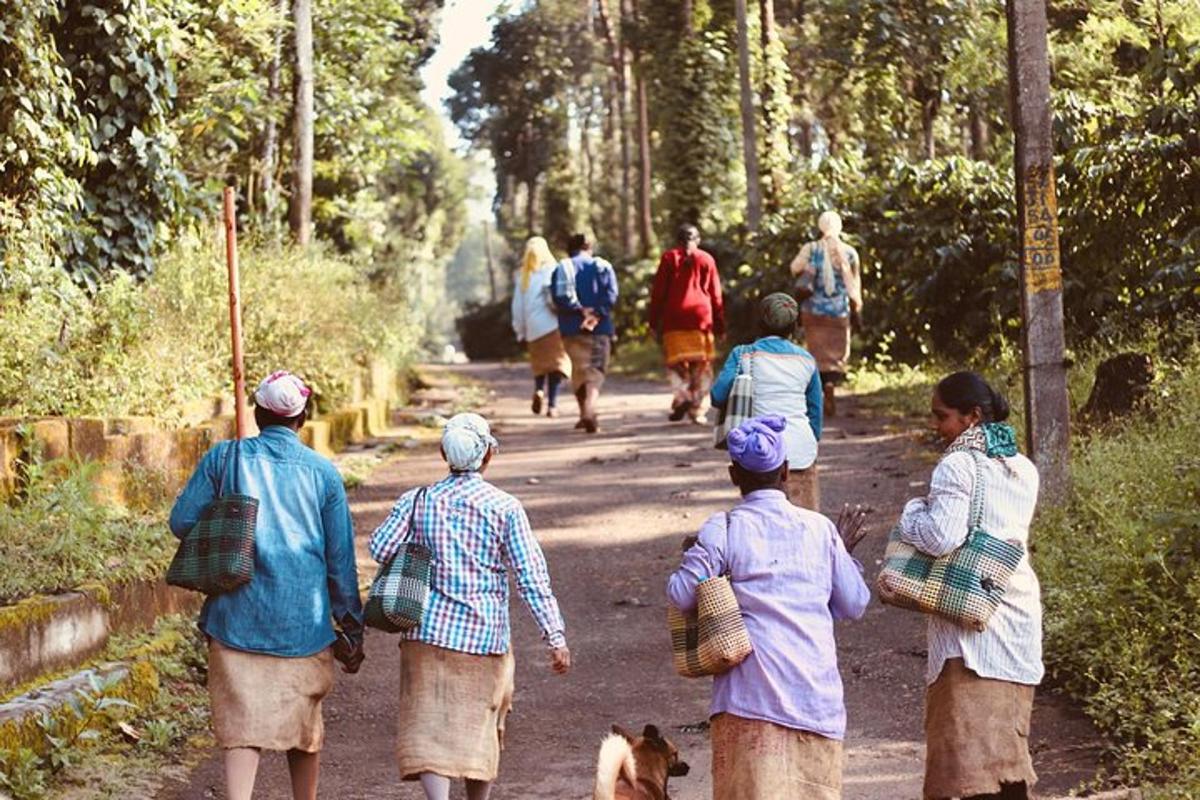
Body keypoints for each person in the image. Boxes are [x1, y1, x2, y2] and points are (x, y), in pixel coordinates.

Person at [169, 370, 364, 800]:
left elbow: (181, 521)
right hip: (304, 625)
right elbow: (339, 560)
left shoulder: (225, 459)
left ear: (258, 414)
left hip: (237, 618)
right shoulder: (323, 474)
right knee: (304, 728)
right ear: (303, 417)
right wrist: (350, 625)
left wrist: (229, 521)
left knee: (241, 729)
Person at [369, 413, 571, 800]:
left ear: (444, 452)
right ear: (487, 456)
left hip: (425, 633)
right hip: (484, 636)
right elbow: (531, 577)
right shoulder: (505, 508)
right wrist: (555, 636)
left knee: (427, 725)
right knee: (483, 725)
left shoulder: (418, 500)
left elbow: (379, 547)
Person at [666, 416, 871, 800]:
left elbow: (681, 595)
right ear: (786, 472)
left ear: (733, 475)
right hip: (816, 699)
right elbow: (855, 603)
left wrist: (698, 553)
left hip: (749, 698)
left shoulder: (724, 528)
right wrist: (839, 554)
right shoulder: (820, 529)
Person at [897, 372, 1042, 800]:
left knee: (964, 772)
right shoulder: (1023, 467)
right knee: (1008, 763)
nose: (936, 427)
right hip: (1015, 616)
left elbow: (942, 536)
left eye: (942, 417)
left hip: (969, 627)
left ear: (972, 417)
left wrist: (910, 513)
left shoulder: (958, 465)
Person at [711, 292, 824, 510]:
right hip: (801, 451)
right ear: (794, 326)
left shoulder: (743, 354)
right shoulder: (807, 360)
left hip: (759, 457)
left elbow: (717, 396)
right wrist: (805, 443)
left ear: (760, 323)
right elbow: (815, 416)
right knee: (805, 521)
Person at [648, 223, 726, 423]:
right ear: (697, 240)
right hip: (701, 319)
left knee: (677, 364)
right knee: (701, 365)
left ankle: (683, 396)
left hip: (674, 320)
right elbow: (716, 296)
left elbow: (658, 294)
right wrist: (720, 325)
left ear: (677, 240)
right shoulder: (707, 259)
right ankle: (697, 409)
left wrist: (653, 322)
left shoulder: (668, 258)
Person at [790, 210, 863, 417]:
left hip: (812, 312)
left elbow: (794, 268)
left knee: (817, 354)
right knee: (837, 355)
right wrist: (858, 308)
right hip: (839, 311)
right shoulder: (849, 252)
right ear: (839, 226)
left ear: (820, 226)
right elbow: (855, 285)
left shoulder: (810, 249)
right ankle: (831, 383)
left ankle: (821, 390)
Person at [551, 232, 619, 434]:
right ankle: (589, 411)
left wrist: (579, 310)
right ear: (589, 247)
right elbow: (611, 294)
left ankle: (583, 414)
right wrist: (596, 312)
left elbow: (557, 296)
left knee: (579, 371)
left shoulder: (563, 267)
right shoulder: (603, 266)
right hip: (599, 328)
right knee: (595, 371)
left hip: (571, 328)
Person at [511, 236, 572, 418]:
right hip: (553, 324)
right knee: (556, 366)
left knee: (539, 366)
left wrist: (520, 329)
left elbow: (517, 307)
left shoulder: (523, 277)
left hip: (533, 328)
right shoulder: (552, 270)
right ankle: (552, 404)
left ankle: (539, 389)